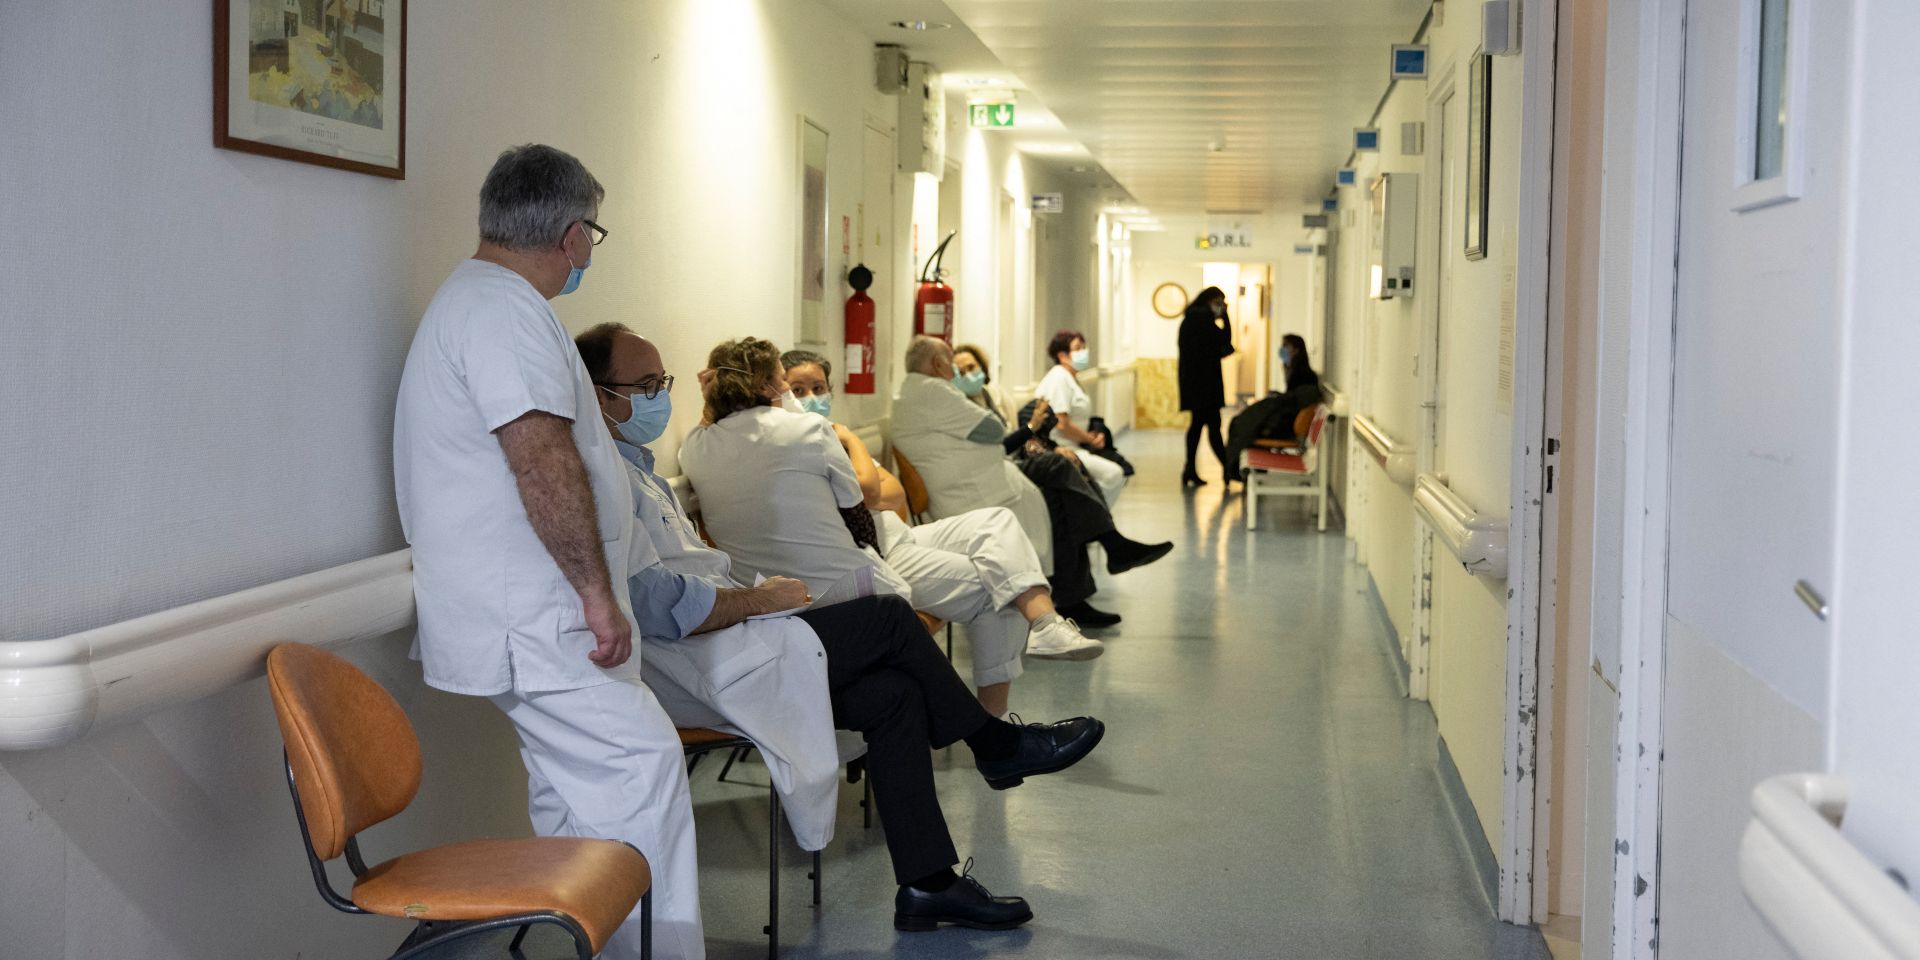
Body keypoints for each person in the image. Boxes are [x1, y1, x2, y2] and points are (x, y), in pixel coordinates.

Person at [575, 324, 1106, 932]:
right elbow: (654, 602)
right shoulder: (602, 478)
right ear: (595, 393)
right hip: (698, 662)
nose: (659, 398)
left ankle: (929, 885)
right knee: (889, 618)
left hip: (736, 638)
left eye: (663, 383)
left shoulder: (648, 465)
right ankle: (996, 745)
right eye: (645, 386)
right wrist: (757, 600)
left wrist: (759, 600)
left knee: (894, 696)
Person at [391, 145, 702, 960]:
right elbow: (540, 459)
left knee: (577, 806)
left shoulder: (486, 303)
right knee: (640, 773)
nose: (588, 250)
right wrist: (596, 595)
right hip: (539, 617)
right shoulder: (502, 311)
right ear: (572, 235)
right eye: (591, 234)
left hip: (527, 613)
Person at [680, 339, 1101, 720]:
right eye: (793, 386)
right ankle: (995, 720)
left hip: (888, 536)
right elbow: (865, 499)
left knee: (998, 521)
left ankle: (1045, 625)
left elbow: (893, 494)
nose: (805, 396)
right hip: (870, 555)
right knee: (1000, 585)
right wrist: (851, 442)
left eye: (818, 387)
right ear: (772, 386)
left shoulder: (698, 446)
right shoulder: (809, 432)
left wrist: (714, 395)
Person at [897, 336, 1172, 628]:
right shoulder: (936, 392)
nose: (957, 372)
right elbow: (994, 431)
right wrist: (1029, 429)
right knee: (1058, 478)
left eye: (969, 367)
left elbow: (990, 433)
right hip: (981, 488)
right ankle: (1108, 549)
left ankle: (1088, 581)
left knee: (1062, 492)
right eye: (953, 364)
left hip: (988, 477)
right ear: (938, 364)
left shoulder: (930, 394)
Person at [1034, 330, 1128, 504]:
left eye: (1084, 347)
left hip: (1076, 445)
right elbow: (1062, 424)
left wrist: (1093, 435)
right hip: (1061, 448)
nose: (1084, 352)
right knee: (1113, 474)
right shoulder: (1058, 378)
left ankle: (1094, 513)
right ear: (1062, 355)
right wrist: (1089, 439)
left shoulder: (1070, 378)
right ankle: (1094, 514)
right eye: (1078, 348)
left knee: (1119, 469)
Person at [1224, 334, 1326, 479]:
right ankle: (1236, 471)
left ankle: (1236, 472)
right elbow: (1292, 398)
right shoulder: (1296, 371)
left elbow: (1293, 401)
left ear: (1296, 350)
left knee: (1246, 427)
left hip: (1285, 424)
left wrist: (1280, 398)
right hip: (1284, 418)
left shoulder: (1302, 374)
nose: (1282, 350)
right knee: (1246, 425)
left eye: (1285, 346)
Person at [1178, 286, 1237, 488]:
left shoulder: (1193, 318)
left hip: (1196, 384)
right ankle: (1228, 469)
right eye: (1219, 303)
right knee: (1212, 426)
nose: (1221, 307)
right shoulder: (1201, 320)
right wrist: (1226, 317)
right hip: (1204, 385)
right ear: (1209, 301)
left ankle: (1192, 470)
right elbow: (1224, 340)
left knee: (1198, 426)